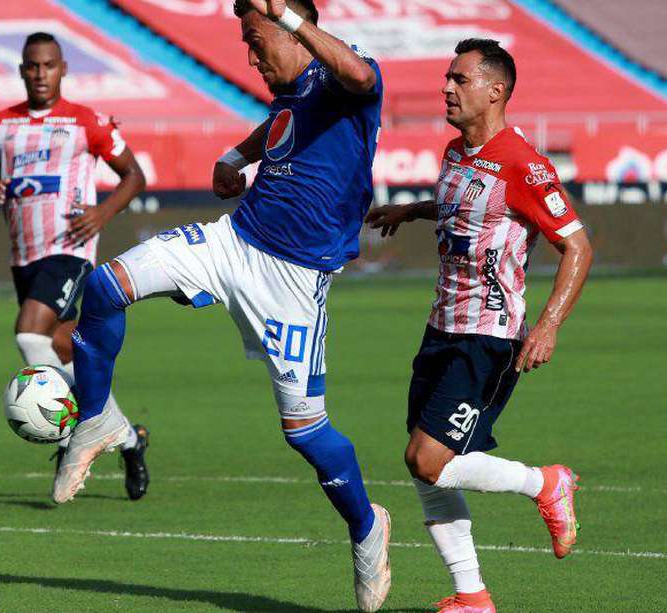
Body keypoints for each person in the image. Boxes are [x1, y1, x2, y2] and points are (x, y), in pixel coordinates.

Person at [52, 2, 391, 610]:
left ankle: (367, 527)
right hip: (234, 242)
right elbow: (283, 126)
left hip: (295, 280)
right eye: (246, 42)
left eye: (256, 40)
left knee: (306, 434)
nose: (251, 55)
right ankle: (98, 419)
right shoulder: (292, 92)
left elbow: (363, 80)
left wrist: (286, 18)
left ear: (294, 31)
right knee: (103, 288)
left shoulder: (349, 77)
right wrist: (237, 157)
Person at [365, 39, 593, 613]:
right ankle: (472, 597)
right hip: (441, 325)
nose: (447, 87)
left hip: (490, 333)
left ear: (496, 91)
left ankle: (546, 484)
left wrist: (549, 325)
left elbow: (578, 246)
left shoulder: (526, 164)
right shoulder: (454, 152)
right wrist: (409, 211)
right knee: (422, 464)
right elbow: (460, 206)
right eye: (447, 77)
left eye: (459, 79)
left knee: (427, 458)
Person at [0, 32, 151, 501]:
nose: (40, 74)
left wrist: (101, 214)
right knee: (65, 351)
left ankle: (73, 432)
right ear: (21, 70)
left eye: (48, 65)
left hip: (70, 248)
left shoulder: (85, 122)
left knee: (29, 333)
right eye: (32, 66)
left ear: (63, 69)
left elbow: (135, 175)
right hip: (24, 255)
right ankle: (128, 437)